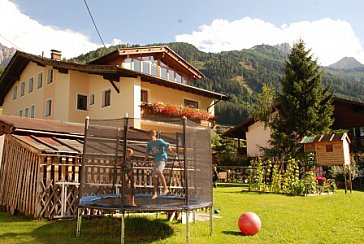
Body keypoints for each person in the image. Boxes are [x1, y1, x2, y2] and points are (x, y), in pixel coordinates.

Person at [143, 130, 176, 199]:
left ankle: (165, 188)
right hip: (156, 160)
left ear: (154, 135)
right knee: (154, 176)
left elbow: (167, 146)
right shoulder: (149, 144)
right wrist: (144, 161)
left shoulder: (159, 141)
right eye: (149, 136)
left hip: (162, 158)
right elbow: (147, 154)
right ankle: (155, 193)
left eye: (151, 135)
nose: (150, 137)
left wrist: (172, 153)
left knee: (158, 171)